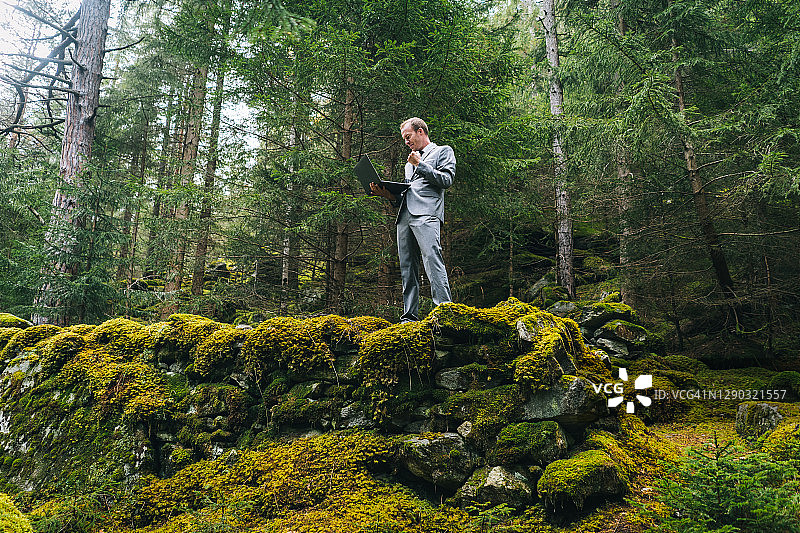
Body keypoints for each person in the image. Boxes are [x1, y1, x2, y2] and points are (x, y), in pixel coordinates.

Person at [370, 117, 455, 322]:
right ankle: (409, 316)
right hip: (405, 216)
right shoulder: (410, 162)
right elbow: (408, 192)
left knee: (432, 259)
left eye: (408, 137)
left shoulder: (442, 151)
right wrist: (388, 195)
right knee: (407, 266)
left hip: (427, 214)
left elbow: (446, 180)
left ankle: (444, 310)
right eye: (404, 139)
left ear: (420, 132)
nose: (406, 142)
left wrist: (420, 164)